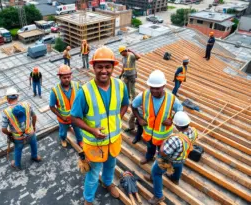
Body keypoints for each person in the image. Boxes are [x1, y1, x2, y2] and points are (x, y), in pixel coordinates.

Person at [71, 46, 129, 205]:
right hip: (95, 143)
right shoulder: (85, 91)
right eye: (100, 67)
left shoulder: (120, 85)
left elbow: (125, 104)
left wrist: (117, 119)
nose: (104, 70)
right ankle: (88, 200)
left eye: (107, 66)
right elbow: (74, 118)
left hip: (113, 140)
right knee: (93, 173)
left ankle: (108, 183)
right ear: (93, 67)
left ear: (113, 67)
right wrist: (92, 130)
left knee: (111, 165)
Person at [132, 70, 183, 165]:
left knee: (163, 151)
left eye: (157, 88)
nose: (154, 91)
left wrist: (172, 120)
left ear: (163, 86)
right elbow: (133, 105)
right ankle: (149, 156)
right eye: (152, 88)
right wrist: (139, 119)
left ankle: (161, 163)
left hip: (163, 135)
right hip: (149, 132)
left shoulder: (172, 99)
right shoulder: (144, 95)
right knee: (150, 147)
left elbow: (180, 111)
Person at [148, 111, 198, 204]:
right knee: (178, 166)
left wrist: (163, 143)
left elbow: (163, 153)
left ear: (177, 126)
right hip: (182, 158)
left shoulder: (175, 139)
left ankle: (158, 196)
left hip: (170, 160)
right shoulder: (194, 131)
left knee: (156, 173)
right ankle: (175, 179)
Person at [1, 87, 41, 169]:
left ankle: (17, 164)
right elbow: (34, 116)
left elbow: (4, 129)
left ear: (7, 99)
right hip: (30, 132)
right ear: (17, 97)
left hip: (18, 137)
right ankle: (35, 156)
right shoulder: (27, 105)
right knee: (33, 144)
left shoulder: (6, 112)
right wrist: (33, 126)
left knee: (18, 149)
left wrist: (10, 134)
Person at [49, 65, 83, 148]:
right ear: (60, 77)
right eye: (64, 78)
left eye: (68, 77)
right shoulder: (54, 91)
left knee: (78, 130)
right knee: (63, 132)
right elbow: (52, 107)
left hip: (75, 117)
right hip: (63, 119)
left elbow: (84, 97)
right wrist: (61, 116)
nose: (67, 79)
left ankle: (80, 141)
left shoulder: (77, 86)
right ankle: (63, 139)